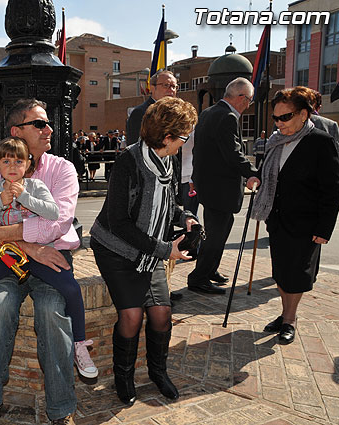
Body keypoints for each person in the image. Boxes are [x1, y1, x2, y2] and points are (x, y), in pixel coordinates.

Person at [0, 137, 97, 381]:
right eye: (6, 161)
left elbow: (53, 212)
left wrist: (24, 197)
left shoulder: (36, 187)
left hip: (38, 251)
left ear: (28, 164)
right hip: (8, 254)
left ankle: (79, 345)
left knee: (71, 288)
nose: (12, 166)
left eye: (19, 161)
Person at [0, 99, 80, 425]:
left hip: (51, 264)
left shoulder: (62, 169)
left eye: (47, 123)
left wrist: (6, 234)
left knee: (50, 312)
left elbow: (58, 223)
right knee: (0, 306)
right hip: (9, 262)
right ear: (16, 131)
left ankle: (61, 410)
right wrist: (27, 246)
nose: (49, 129)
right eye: (39, 124)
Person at [91, 97, 199, 407]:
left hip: (148, 247)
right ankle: (123, 378)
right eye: (183, 136)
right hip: (115, 248)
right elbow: (118, 222)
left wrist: (185, 218)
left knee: (163, 313)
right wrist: (166, 250)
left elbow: (168, 205)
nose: (184, 142)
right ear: (167, 137)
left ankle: (158, 372)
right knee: (132, 316)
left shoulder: (168, 159)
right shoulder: (129, 161)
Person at [251, 87, 339, 344]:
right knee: (280, 272)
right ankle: (283, 313)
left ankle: (290, 318)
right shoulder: (275, 141)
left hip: (306, 222)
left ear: (303, 114)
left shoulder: (321, 142)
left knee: (297, 275)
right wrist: (257, 177)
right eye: (276, 118)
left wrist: (324, 229)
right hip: (277, 218)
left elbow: (332, 189)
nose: (279, 123)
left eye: (286, 117)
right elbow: (269, 170)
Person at [187, 77, 260, 294]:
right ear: (240, 98)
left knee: (218, 233)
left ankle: (210, 270)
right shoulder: (227, 117)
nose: (249, 105)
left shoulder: (209, 112)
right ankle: (198, 277)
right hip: (220, 189)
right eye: (249, 100)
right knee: (216, 235)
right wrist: (253, 173)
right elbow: (233, 154)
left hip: (210, 187)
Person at [126, 70, 178, 146]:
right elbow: (135, 148)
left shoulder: (176, 113)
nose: (171, 90)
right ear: (152, 88)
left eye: (174, 87)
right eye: (166, 85)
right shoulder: (141, 113)